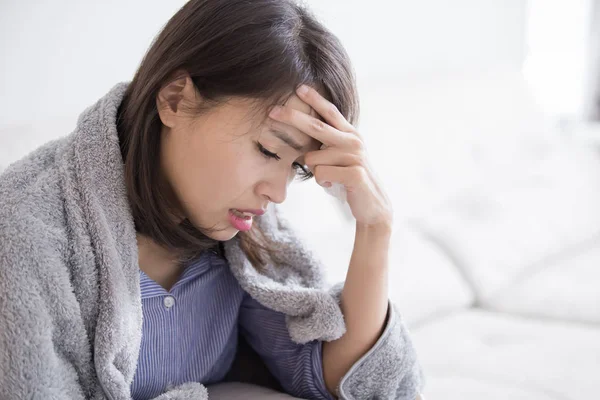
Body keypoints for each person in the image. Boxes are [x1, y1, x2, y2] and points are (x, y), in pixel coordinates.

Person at [0, 0, 425, 399]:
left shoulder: (240, 234)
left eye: (298, 168)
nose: (276, 193)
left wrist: (375, 229)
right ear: (176, 100)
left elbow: (343, 380)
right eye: (268, 150)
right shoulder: (25, 233)